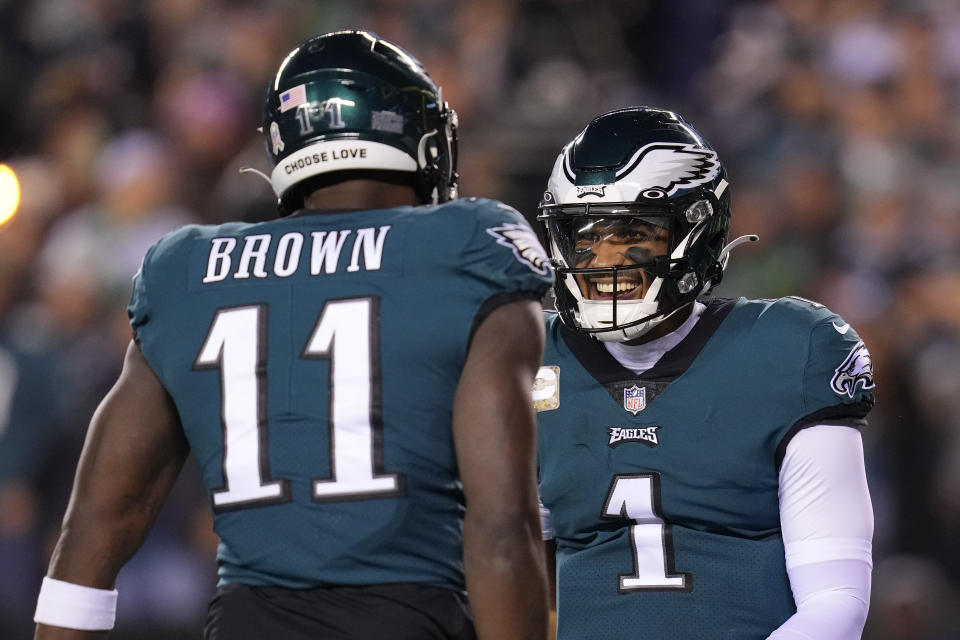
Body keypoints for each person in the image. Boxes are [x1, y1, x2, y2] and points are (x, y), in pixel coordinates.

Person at [34, 30, 551, 640]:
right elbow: (502, 531)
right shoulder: (462, 248)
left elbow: (95, 528)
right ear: (415, 135)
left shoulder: (187, 271)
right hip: (411, 618)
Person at [534, 107, 875, 639]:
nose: (604, 261)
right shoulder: (534, 360)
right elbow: (492, 568)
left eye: (632, 234)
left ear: (696, 227)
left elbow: (837, 603)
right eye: (584, 237)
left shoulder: (788, 351)